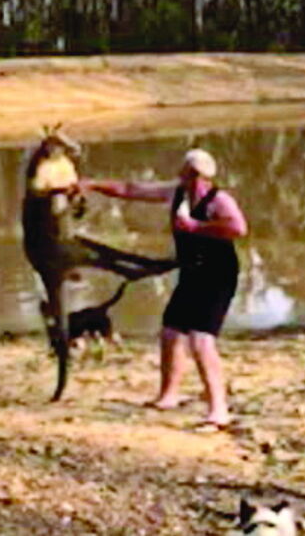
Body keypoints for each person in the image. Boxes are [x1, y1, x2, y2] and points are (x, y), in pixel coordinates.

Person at [81, 149, 248, 430]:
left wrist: (195, 226)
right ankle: (168, 395)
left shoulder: (218, 200)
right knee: (171, 332)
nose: (191, 179)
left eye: (195, 175)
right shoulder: (176, 193)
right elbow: (130, 189)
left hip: (218, 275)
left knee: (201, 339)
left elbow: (238, 228)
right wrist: (93, 185)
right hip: (192, 272)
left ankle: (219, 410)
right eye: (189, 173)